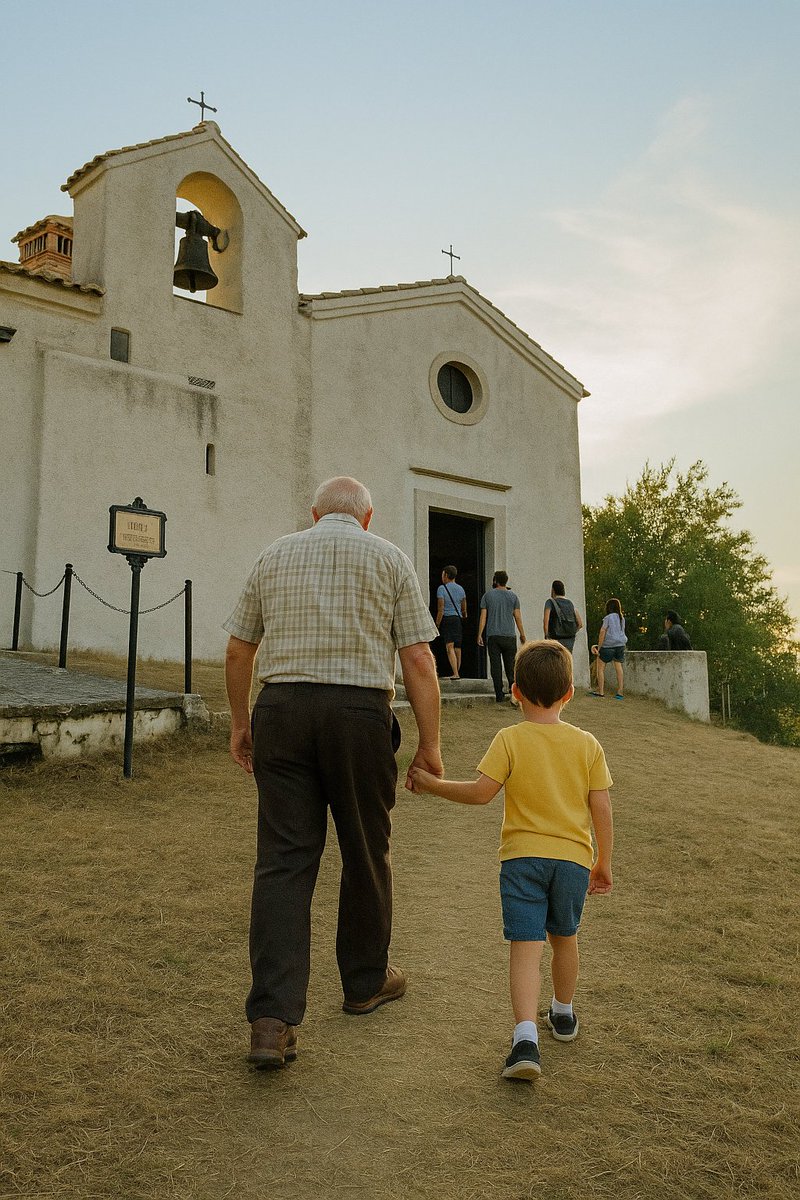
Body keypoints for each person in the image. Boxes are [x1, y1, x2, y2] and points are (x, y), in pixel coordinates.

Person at [223, 476, 442, 1070]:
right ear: (367, 518)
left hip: (282, 711)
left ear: (314, 513)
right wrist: (429, 745)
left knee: (283, 860)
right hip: (358, 714)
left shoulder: (275, 554)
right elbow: (418, 657)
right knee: (366, 849)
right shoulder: (389, 558)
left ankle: (271, 1021)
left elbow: (240, 649)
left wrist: (241, 723)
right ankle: (366, 982)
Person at [408, 640, 613, 1082]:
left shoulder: (509, 739)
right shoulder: (587, 745)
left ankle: (525, 1039)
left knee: (525, 947)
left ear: (515, 691)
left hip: (521, 860)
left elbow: (480, 793)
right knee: (565, 938)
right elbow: (601, 807)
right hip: (573, 862)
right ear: (569, 693)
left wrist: (431, 784)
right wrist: (604, 861)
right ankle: (563, 1012)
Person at [477, 570, 526, 702]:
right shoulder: (513, 597)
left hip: (493, 635)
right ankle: (513, 692)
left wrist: (480, 634)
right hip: (509, 635)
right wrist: (522, 634)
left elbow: (483, 617)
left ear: (495, 581)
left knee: (496, 665)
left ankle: (499, 693)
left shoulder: (487, 596)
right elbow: (517, 617)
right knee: (511, 665)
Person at [589, 597, 627, 699]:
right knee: (618, 667)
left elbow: (603, 631)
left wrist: (599, 647)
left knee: (600, 668)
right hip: (620, 644)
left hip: (608, 645)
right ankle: (620, 692)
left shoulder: (607, 618)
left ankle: (601, 691)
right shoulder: (622, 618)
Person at [435, 565, 467, 679]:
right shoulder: (461, 589)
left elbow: (441, 609)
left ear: (446, 575)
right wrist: (463, 617)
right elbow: (464, 609)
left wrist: (437, 624)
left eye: (443, 574)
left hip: (447, 619)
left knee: (449, 646)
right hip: (457, 619)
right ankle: (457, 671)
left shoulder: (442, 589)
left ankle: (455, 673)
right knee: (458, 647)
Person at [543, 580, 583, 653]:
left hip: (555, 639)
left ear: (553, 590)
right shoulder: (570, 603)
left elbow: (546, 621)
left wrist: (546, 637)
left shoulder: (550, 602)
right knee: (566, 658)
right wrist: (572, 632)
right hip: (570, 639)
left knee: (555, 658)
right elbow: (580, 624)